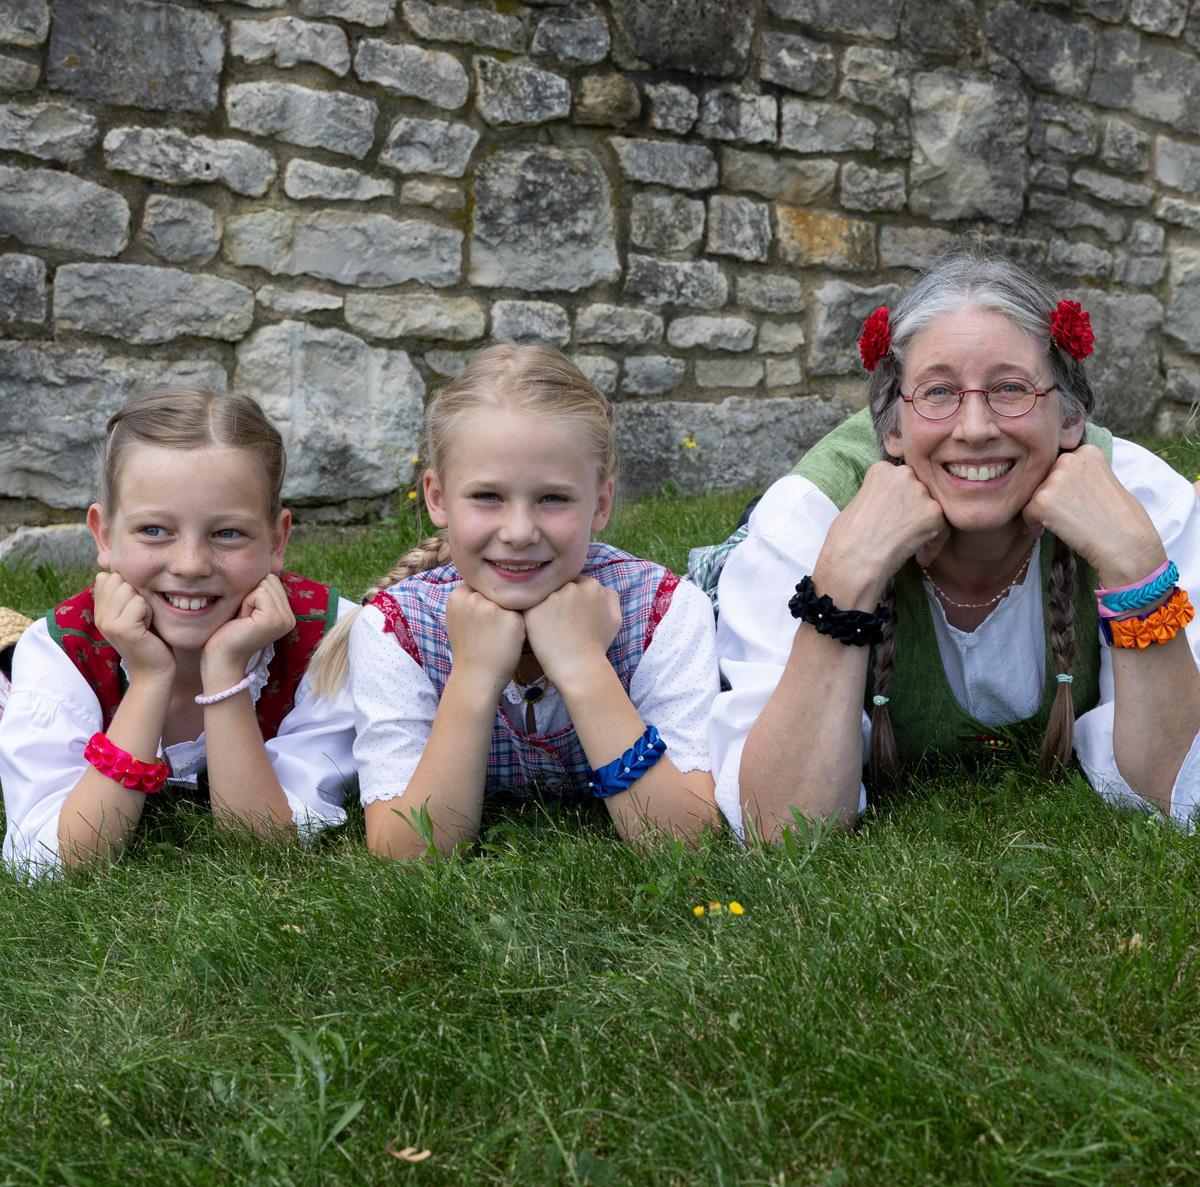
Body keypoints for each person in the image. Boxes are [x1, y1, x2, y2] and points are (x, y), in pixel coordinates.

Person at [707, 250, 1200, 842]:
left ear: (1070, 419)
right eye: (938, 392)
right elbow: (780, 828)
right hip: (746, 567)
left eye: (1011, 388)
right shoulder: (807, 519)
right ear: (891, 428)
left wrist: (1135, 568)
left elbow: (1181, 792)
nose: (974, 428)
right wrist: (846, 580)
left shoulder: (1144, 501)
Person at [308, 344, 719, 859]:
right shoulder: (398, 629)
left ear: (602, 501)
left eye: (553, 498)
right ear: (436, 497)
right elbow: (407, 853)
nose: (520, 532)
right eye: (487, 497)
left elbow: (683, 839)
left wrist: (584, 664)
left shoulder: (664, 611)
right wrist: (474, 675)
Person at [0, 386, 357, 876]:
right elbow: (60, 861)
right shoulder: (60, 650)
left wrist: (227, 671)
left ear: (277, 540)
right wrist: (147, 681)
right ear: (104, 535)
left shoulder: (330, 642)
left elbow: (263, 846)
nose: (190, 565)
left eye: (227, 533)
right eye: (154, 530)